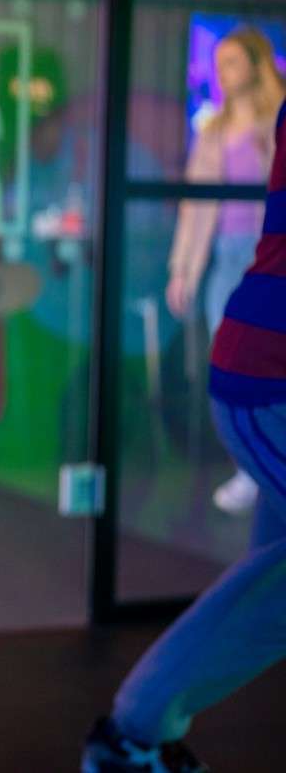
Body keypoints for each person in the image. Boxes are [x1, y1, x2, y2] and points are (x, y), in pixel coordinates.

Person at [82, 98, 286, 772]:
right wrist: (182, 265)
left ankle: (139, 733)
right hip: (271, 375)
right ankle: (132, 732)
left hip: (259, 358)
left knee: (272, 591)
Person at [165, 26, 284, 515]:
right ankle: (249, 470)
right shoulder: (212, 131)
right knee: (229, 365)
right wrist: (182, 271)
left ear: (256, 65)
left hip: (265, 255)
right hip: (225, 255)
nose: (223, 73)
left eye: (233, 62)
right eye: (219, 64)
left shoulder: (275, 119)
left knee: (265, 365)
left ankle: (259, 470)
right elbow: (195, 208)